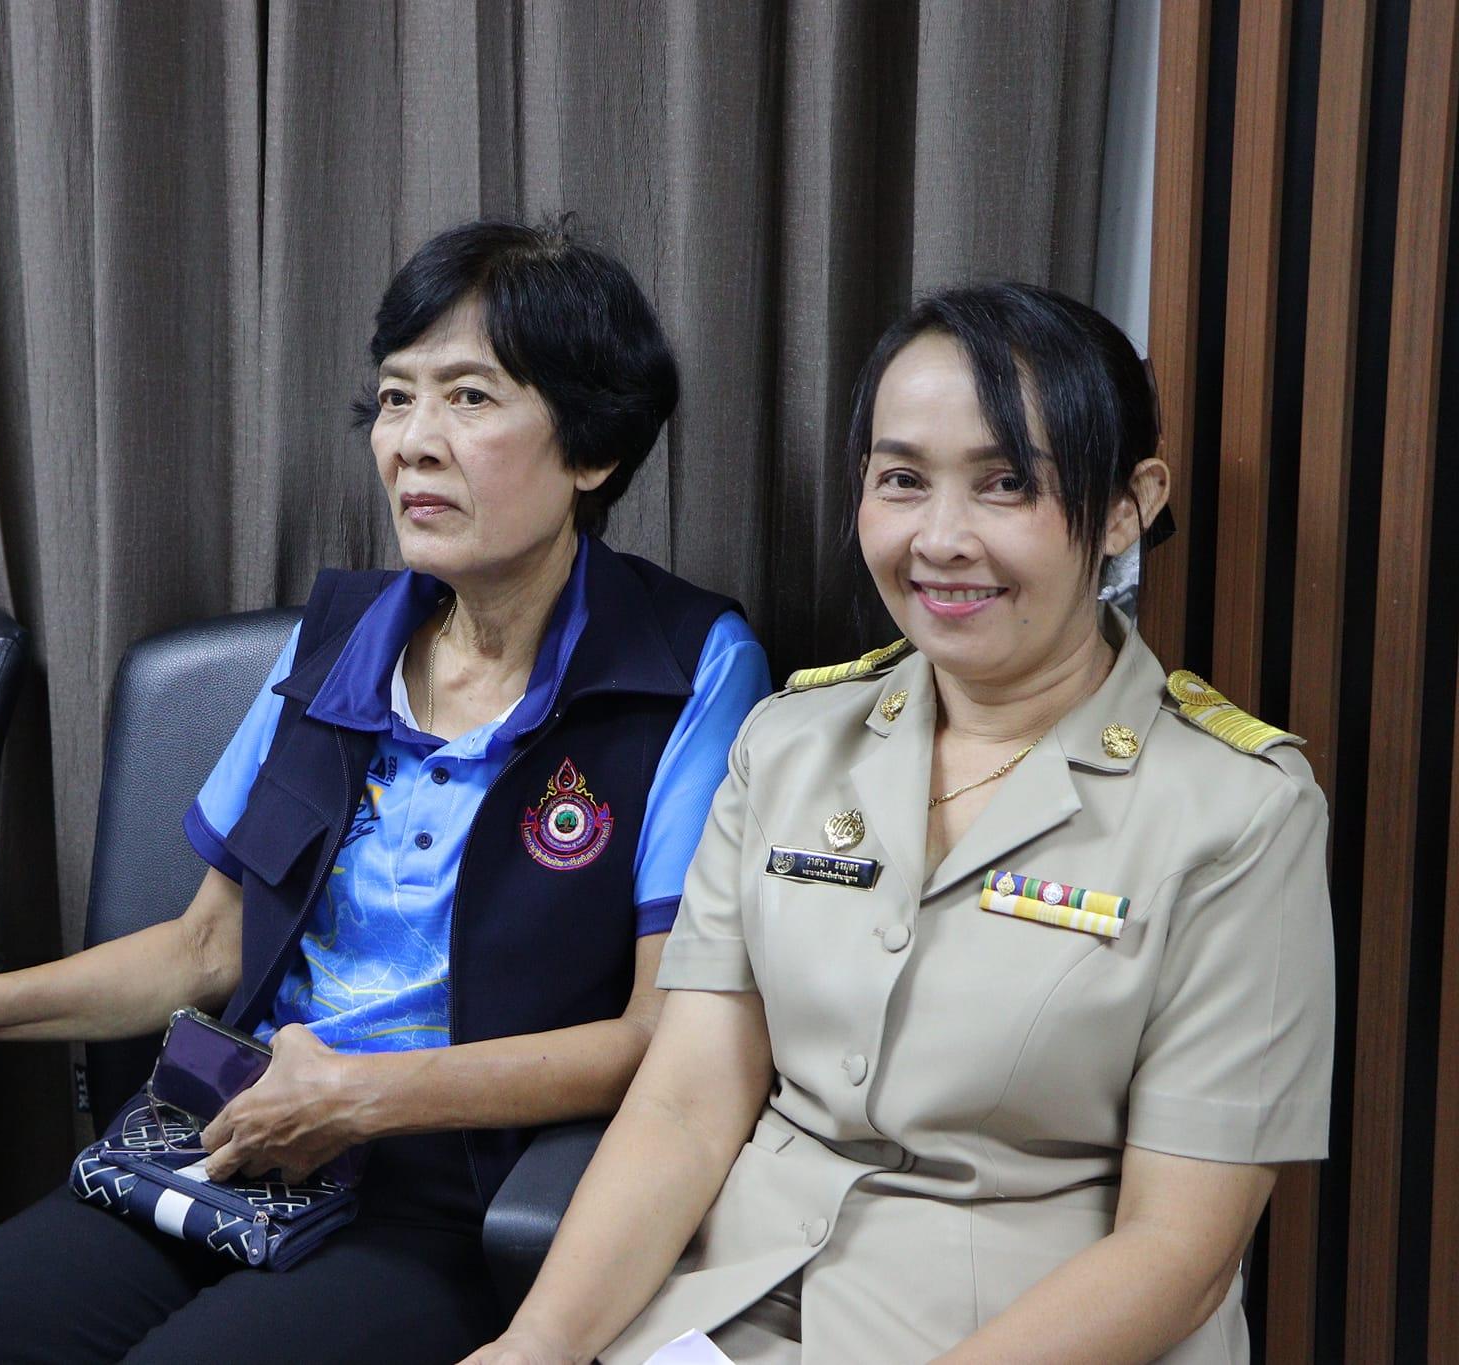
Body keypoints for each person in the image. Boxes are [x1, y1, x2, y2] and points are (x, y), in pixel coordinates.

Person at [0, 217, 771, 1365]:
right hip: (231, 1138)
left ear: (591, 449)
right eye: (394, 399)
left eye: (468, 398)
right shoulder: (337, 643)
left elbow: (657, 1035)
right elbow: (206, 947)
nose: (413, 444)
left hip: (451, 1194)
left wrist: (366, 1095)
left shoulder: (685, 665)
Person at [464, 283, 1334, 1365]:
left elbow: (1179, 1248)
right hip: (724, 1314)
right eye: (902, 480)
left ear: (1126, 506)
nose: (941, 539)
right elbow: (686, 1104)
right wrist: (538, 1343)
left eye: (1007, 483)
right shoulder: (789, 745)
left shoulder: (1237, 811)